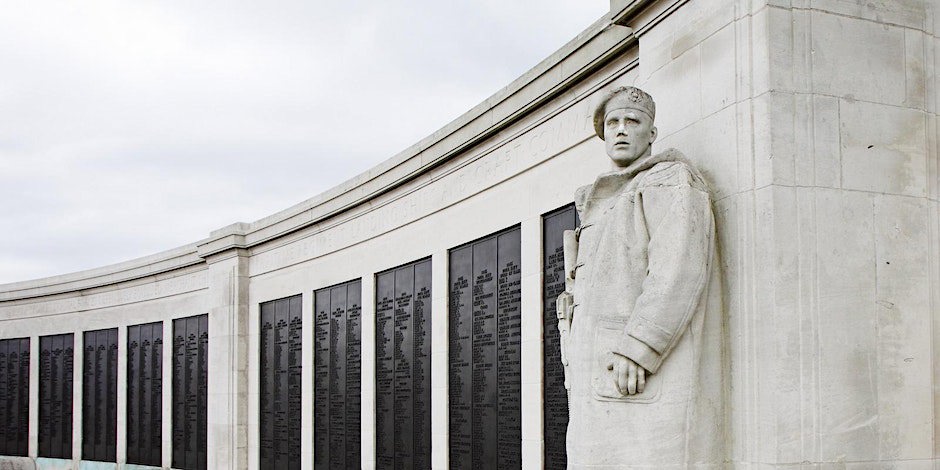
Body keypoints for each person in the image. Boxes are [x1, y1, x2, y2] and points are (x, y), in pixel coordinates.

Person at [558, 86, 725, 468]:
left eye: (632, 122)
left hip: (634, 366)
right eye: (612, 123)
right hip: (597, 371)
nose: (620, 130)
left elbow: (678, 268)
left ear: (651, 133)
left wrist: (640, 346)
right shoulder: (609, 197)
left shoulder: (668, 179)